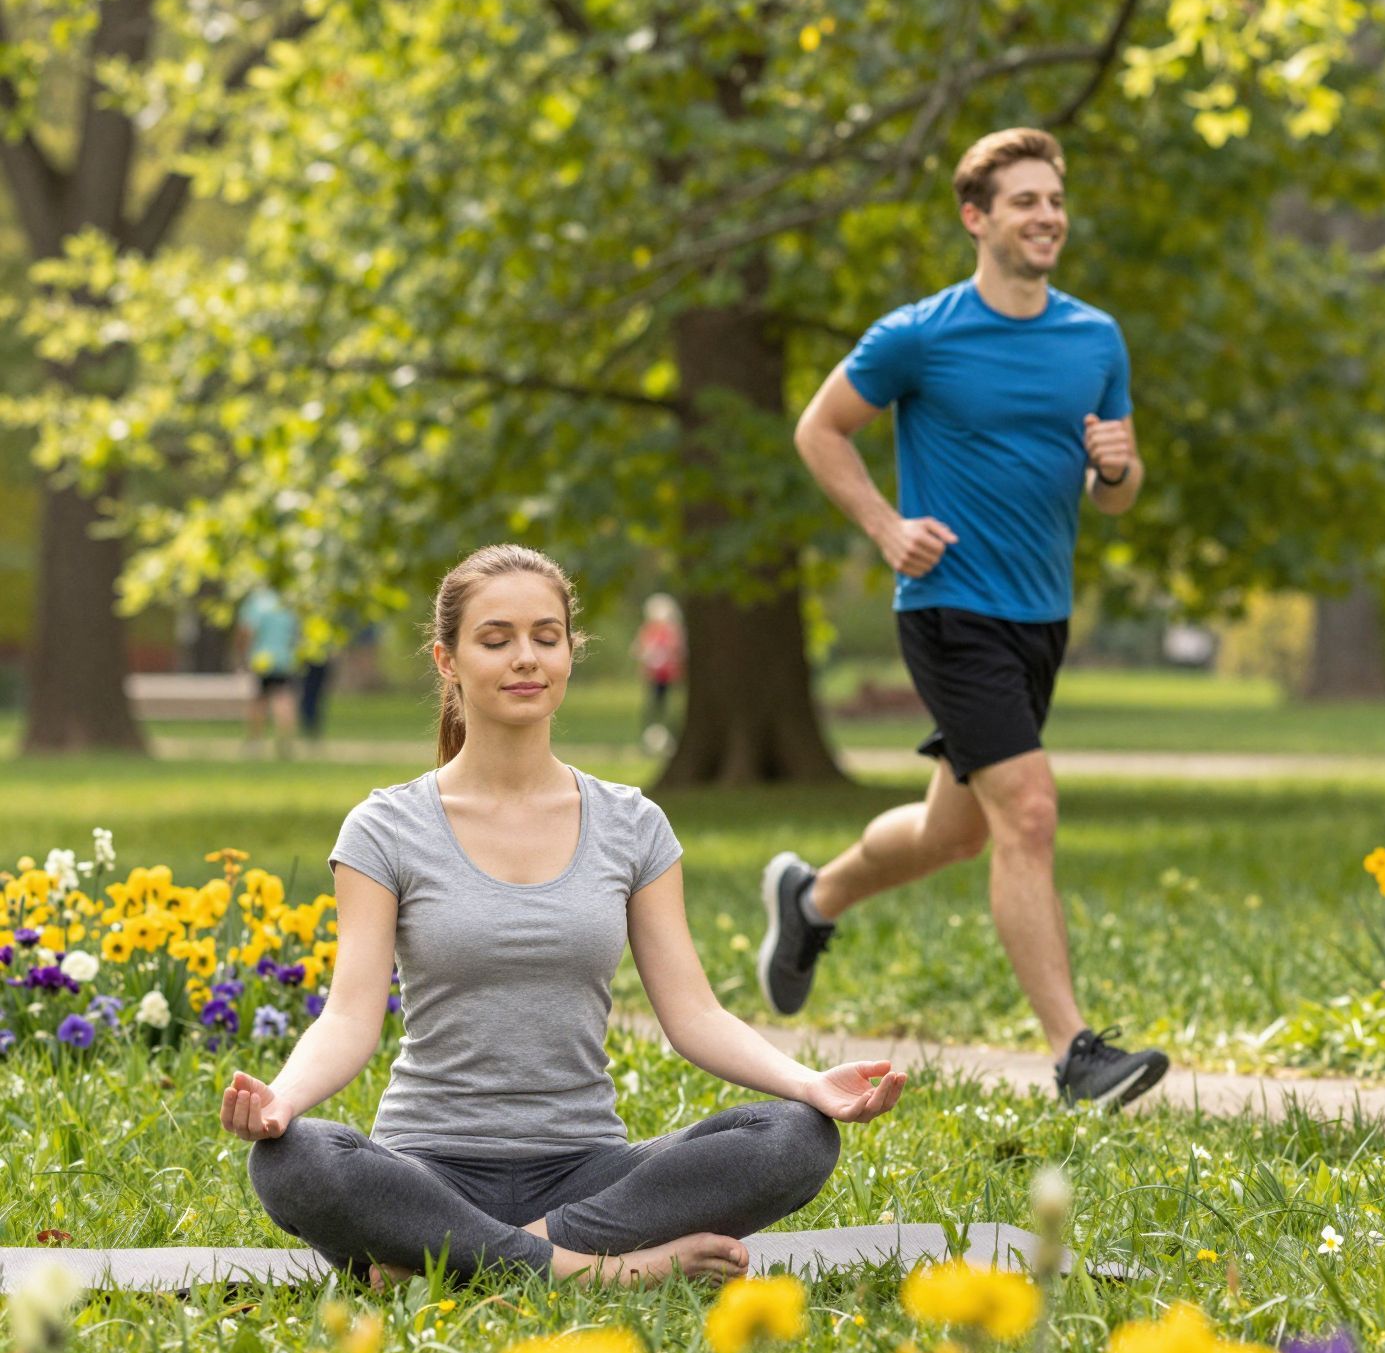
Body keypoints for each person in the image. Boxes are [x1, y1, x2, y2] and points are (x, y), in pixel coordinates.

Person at [224, 544, 905, 1288]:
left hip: (587, 1174)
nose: (526, 659)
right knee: (294, 1163)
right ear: (447, 660)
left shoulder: (632, 824)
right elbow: (351, 1016)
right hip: (426, 1170)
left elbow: (695, 1015)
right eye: (496, 640)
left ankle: (457, 1259)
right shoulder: (385, 828)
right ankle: (594, 1273)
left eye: (546, 638)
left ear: (570, 654)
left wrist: (807, 1083)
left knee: (793, 1138)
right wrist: (283, 1100)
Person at [759, 127, 1169, 1109]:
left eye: (1054, 201)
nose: (1046, 218)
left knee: (957, 833)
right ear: (975, 217)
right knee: (1026, 811)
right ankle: (1077, 1055)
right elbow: (820, 430)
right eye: (1024, 201)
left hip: (1039, 616)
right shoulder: (919, 335)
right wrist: (884, 526)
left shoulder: (1092, 338)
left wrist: (1116, 466)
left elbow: (1115, 490)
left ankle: (810, 898)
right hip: (948, 606)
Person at [236, 585, 300, 754]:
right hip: (285, 658)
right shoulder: (287, 602)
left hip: (262, 659)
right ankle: (285, 742)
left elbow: (248, 630)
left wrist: (243, 654)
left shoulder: (257, 602)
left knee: (259, 700)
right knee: (284, 697)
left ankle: (255, 741)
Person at [632, 593, 685, 752]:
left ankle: (670, 739)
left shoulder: (672, 632)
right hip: (654, 676)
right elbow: (639, 651)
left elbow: (677, 652)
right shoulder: (648, 631)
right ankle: (649, 740)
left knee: (668, 709)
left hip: (668, 676)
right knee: (653, 709)